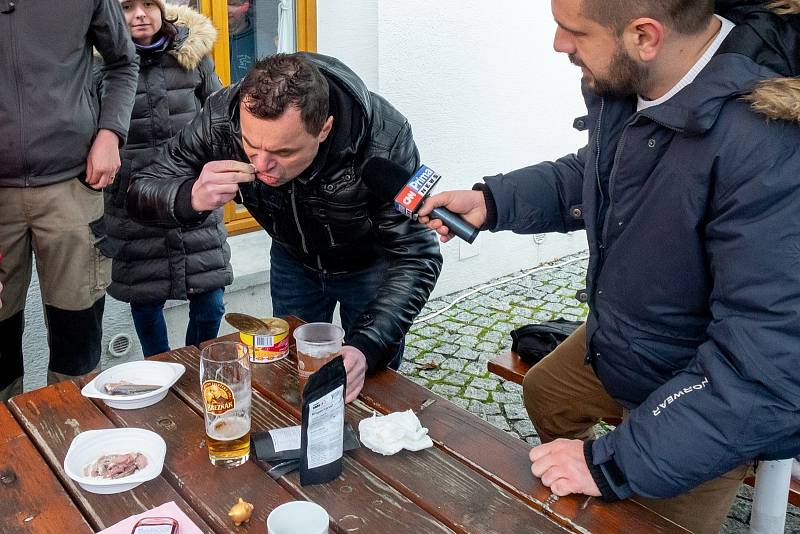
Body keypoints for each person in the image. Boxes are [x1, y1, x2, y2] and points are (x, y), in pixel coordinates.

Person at [418, 1, 800, 532]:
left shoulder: (770, 148)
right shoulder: (635, 82)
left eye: (574, 31)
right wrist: (495, 202)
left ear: (646, 35)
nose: (558, 44)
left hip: (704, 383)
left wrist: (615, 463)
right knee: (546, 391)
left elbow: (765, 371)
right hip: (631, 336)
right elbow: (603, 173)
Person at [127, 52, 443, 402]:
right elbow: (141, 188)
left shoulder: (385, 137)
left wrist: (366, 348)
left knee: (369, 378)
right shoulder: (223, 116)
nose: (262, 165)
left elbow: (417, 254)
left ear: (324, 128)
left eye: (283, 152)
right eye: (250, 145)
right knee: (291, 369)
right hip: (293, 258)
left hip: (371, 263)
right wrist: (190, 195)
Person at [0, 0, 139, 401]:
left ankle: (72, 442)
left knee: (76, 338)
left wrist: (111, 132)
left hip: (71, 189)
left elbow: (122, 62)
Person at [96, 0, 232, 357]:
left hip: (193, 194)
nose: (140, 15)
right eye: (127, 7)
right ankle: (159, 368)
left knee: (210, 301)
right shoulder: (97, 66)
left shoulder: (193, 56)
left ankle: (195, 366)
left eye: (148, 5)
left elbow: (220, 114)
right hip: (133, 204)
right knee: (146, 302)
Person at [227, 0, 256, 82]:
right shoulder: (203, 39)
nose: (226, 9)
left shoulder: (259, 41)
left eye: (232, 4)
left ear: (246, 6)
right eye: (221, 5)